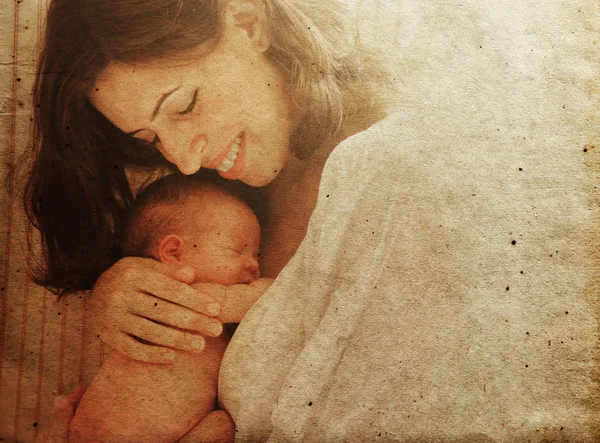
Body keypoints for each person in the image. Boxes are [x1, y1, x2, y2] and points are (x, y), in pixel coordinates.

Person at [26, 0, 598, 441]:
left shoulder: (405, 166)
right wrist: (125, 292)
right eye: (150, 138)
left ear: (249, 22)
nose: (183, 156)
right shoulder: (225, 199)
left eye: (183, 106)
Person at [69, 174, 272, 442]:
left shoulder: (151, 308)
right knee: (222, 425)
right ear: (174, 252)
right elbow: (261, 300)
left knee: (221, 424)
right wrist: (269, 285)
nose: (253, 265)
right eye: (238, 250)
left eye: (256, 254)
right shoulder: (181, 299)